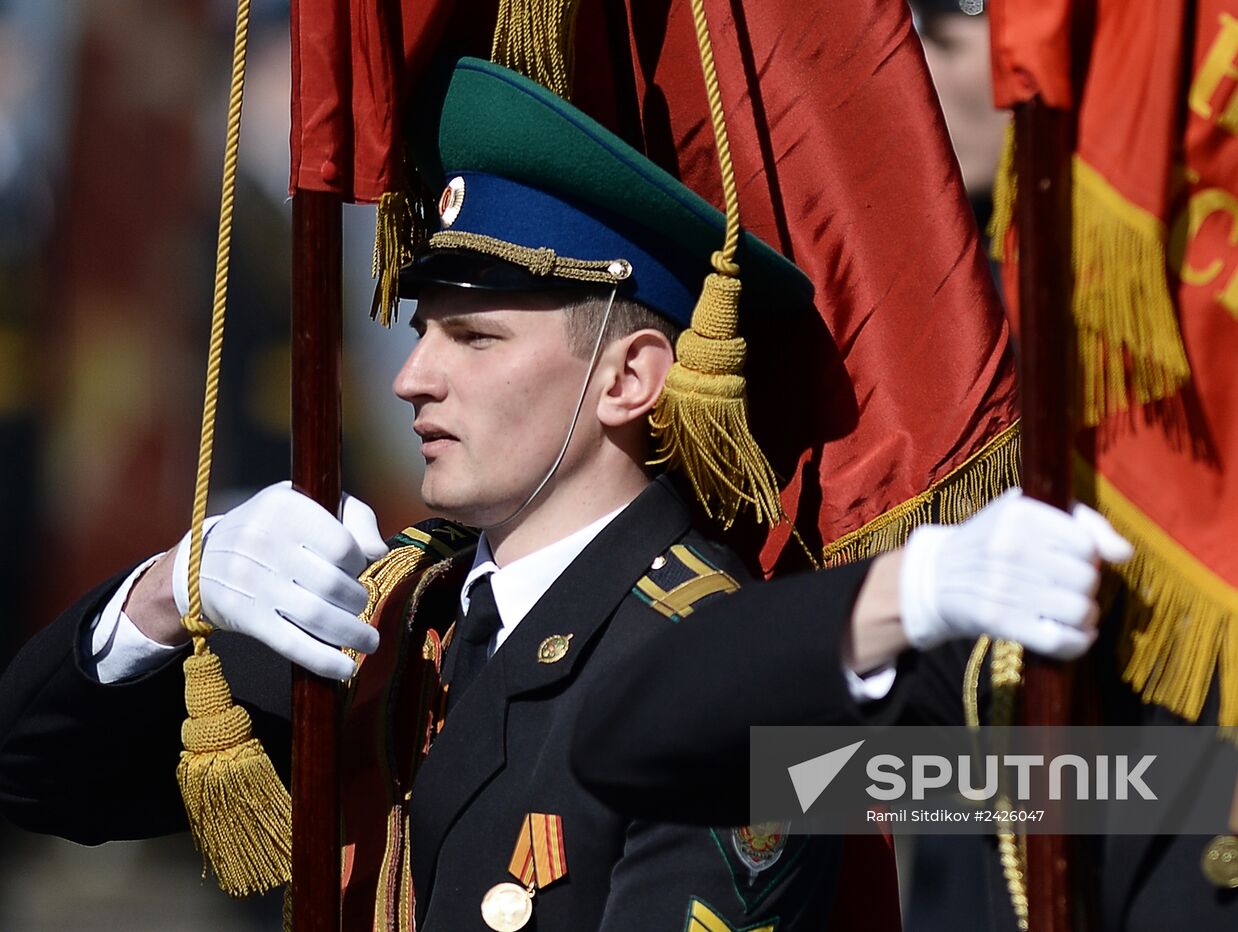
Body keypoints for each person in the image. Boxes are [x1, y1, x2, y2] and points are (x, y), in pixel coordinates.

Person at [0, 58, 1128, 931]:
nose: (411, 375)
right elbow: (38, 776)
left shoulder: (722, 669)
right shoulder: (404, 613)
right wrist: (165, 593)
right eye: (421, 328)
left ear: (629, 378)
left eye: (475, 336)